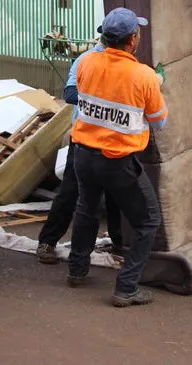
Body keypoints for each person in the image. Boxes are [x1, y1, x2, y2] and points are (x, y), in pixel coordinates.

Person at [67, 8, 168, 308]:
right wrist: (156, 84)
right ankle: (126, 288)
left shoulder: (86, 63)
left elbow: (96, 93)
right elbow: (159, 120)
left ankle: (77, 270)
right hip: (117, 161)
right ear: (133, 40)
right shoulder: (143, 76)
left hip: (83, 155)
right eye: (138, 33)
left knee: (86, 210)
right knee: (148, 221)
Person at [35, 38, 125, 265]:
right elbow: (70, 94)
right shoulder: (87, 60)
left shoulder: (126, 64)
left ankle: (119, 243)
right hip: (85, 138)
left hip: (114, 139)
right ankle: (48, 241)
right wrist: (105, 94)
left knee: (116, 195)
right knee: (70, 192)